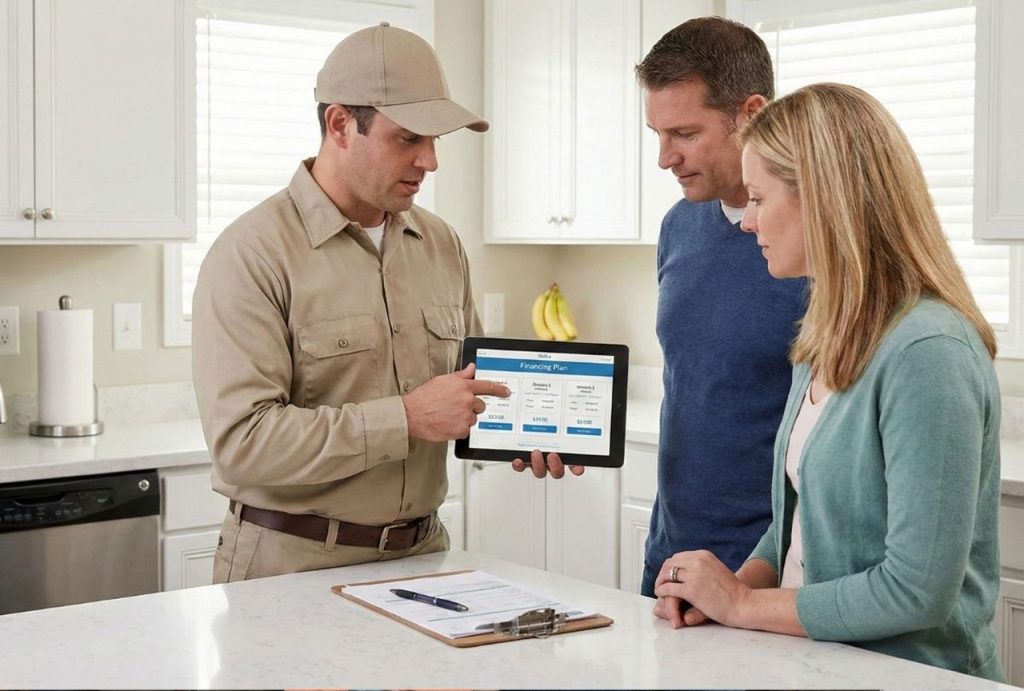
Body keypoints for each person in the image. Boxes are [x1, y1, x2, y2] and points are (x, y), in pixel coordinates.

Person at [654, 82, 1005, 681]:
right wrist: (731, 592)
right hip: (815, 666)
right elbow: (797, 524)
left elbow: (915, 592)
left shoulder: (927, 351)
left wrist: (741, 605)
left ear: (823, 200)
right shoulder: (825, 332)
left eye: (760, 198)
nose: (747, 222)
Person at [193, 22, 522, 582]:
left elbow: (462, 393)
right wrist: (406, 417)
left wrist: (532, 432)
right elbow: (242, 445)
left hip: (424, 559)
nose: (431, 161)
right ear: (340, 124)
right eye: (409, 138)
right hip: (288, 567)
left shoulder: (442, 244)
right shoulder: (252, 253)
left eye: (435, 140)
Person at [634, 17, 807, 599]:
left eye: (683, 133)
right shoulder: (679, 225)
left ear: (750, 113)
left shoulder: (817, 247)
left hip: (771, 570)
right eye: (656, 133)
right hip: (671, 555)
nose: (665, 158)